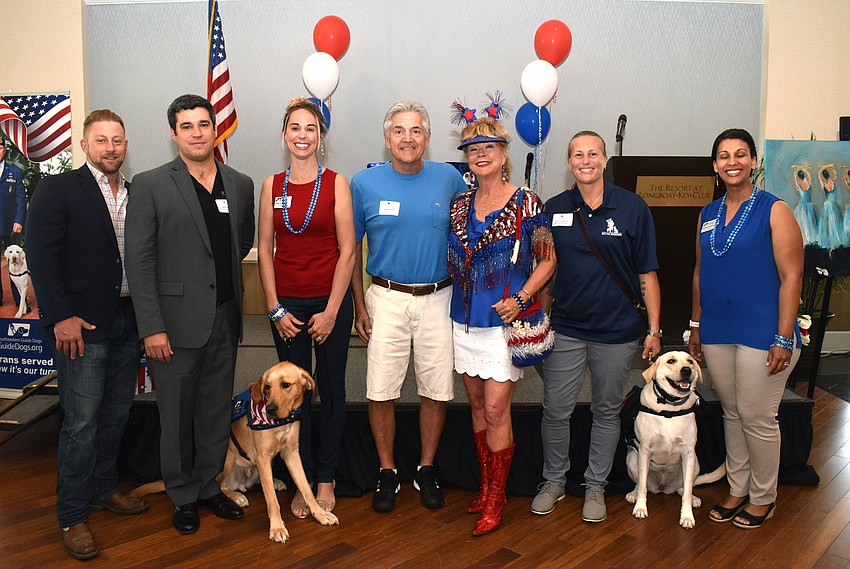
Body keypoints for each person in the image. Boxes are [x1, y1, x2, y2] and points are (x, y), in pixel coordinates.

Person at [125, 94, 255, 535]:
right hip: (173, 326)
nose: (198, 132)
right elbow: (139, 262)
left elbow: (241, 242)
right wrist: (152, 327)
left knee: (214, 412)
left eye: (204, 123)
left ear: (216, 126)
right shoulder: (150, 184)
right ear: (173, 133)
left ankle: (207, 486)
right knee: (176, 416)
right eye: (187, 126)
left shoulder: (239, 183)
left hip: (225, 318)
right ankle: (182, 494)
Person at [27, 110, 149, 560]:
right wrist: (59, 316)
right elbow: (41, 255)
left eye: (117, 140)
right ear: (85, 145)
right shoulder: (59, 190)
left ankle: (103, 490)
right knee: (80, 423)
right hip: (80, 326)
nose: (111, 148)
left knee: (117, 414)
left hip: (126, 321)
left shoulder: (136, 194)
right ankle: (73, 515)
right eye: (101, 140)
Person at [534, 130, 661, 523]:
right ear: (569, 162)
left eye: (593, 154)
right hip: (568, 327)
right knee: (556, 410)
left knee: (606, 411)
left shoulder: (632, 208)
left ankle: (595, 486)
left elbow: (647, 274)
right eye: (577, 154)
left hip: (617, 331)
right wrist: (539, 320)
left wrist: (654, 329)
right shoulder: (554, 207)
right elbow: (545, 270)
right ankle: (554, 481)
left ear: (605, 160)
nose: (585, 160)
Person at [350, 99, 467, 513]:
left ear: (428, 138)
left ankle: (426, 467)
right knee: (380, 389)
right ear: (386, 138)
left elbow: (472, 230)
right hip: (385, 298)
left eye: (416, 131)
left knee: (437, 388)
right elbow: (350, 250)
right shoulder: (363, 184)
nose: (407, 138)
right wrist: (358, 309)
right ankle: (387, 470)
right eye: (399, 130)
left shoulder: (450, 179)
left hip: (439, 298)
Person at [689, 128, 803, 529]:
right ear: (715, 165)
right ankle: (737, 489)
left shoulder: (775, 210)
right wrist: (696, 326)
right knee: (733, 414)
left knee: (757, 416)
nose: (732, 162)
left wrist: (783, 337)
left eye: (740, 154)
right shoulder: (707, 214)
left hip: (764, 331)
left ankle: (763, 496)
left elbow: (792, 277)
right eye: (723, 155)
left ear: (753, 161)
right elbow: (701, 273)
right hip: (718, 329)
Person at [448, 117, 555, 535]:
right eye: (473, 149)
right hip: (463, 320)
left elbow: (548, 259)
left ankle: (497, 495)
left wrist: (522, 297)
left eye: (489, 147)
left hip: (503, 324)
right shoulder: (459, 203)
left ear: (504, 153)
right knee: (476, 405)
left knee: (496, 408)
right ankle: (485, 485)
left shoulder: (528, 202)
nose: (481, 154)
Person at [257, 97, 355, 517]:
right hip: (287, 309)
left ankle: (326, 478)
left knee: (330, 391)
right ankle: (302, 480)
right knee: (292, 400)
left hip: (330, 302)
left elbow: (349, 250)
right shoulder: (270, 186)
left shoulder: (336, 183)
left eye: (310, 128)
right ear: (284, 134)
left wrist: (333, 310)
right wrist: (275, 308)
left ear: (320, 136)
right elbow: (264, 249)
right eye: (295, 127)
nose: (302, 135)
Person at [0, 140, 27, 307]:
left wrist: (19, 220)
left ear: (4, 150)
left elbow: (21, 198)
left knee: (16, 260)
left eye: (0, 147)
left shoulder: (15, 171)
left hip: (11, 225)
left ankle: (20, 301)